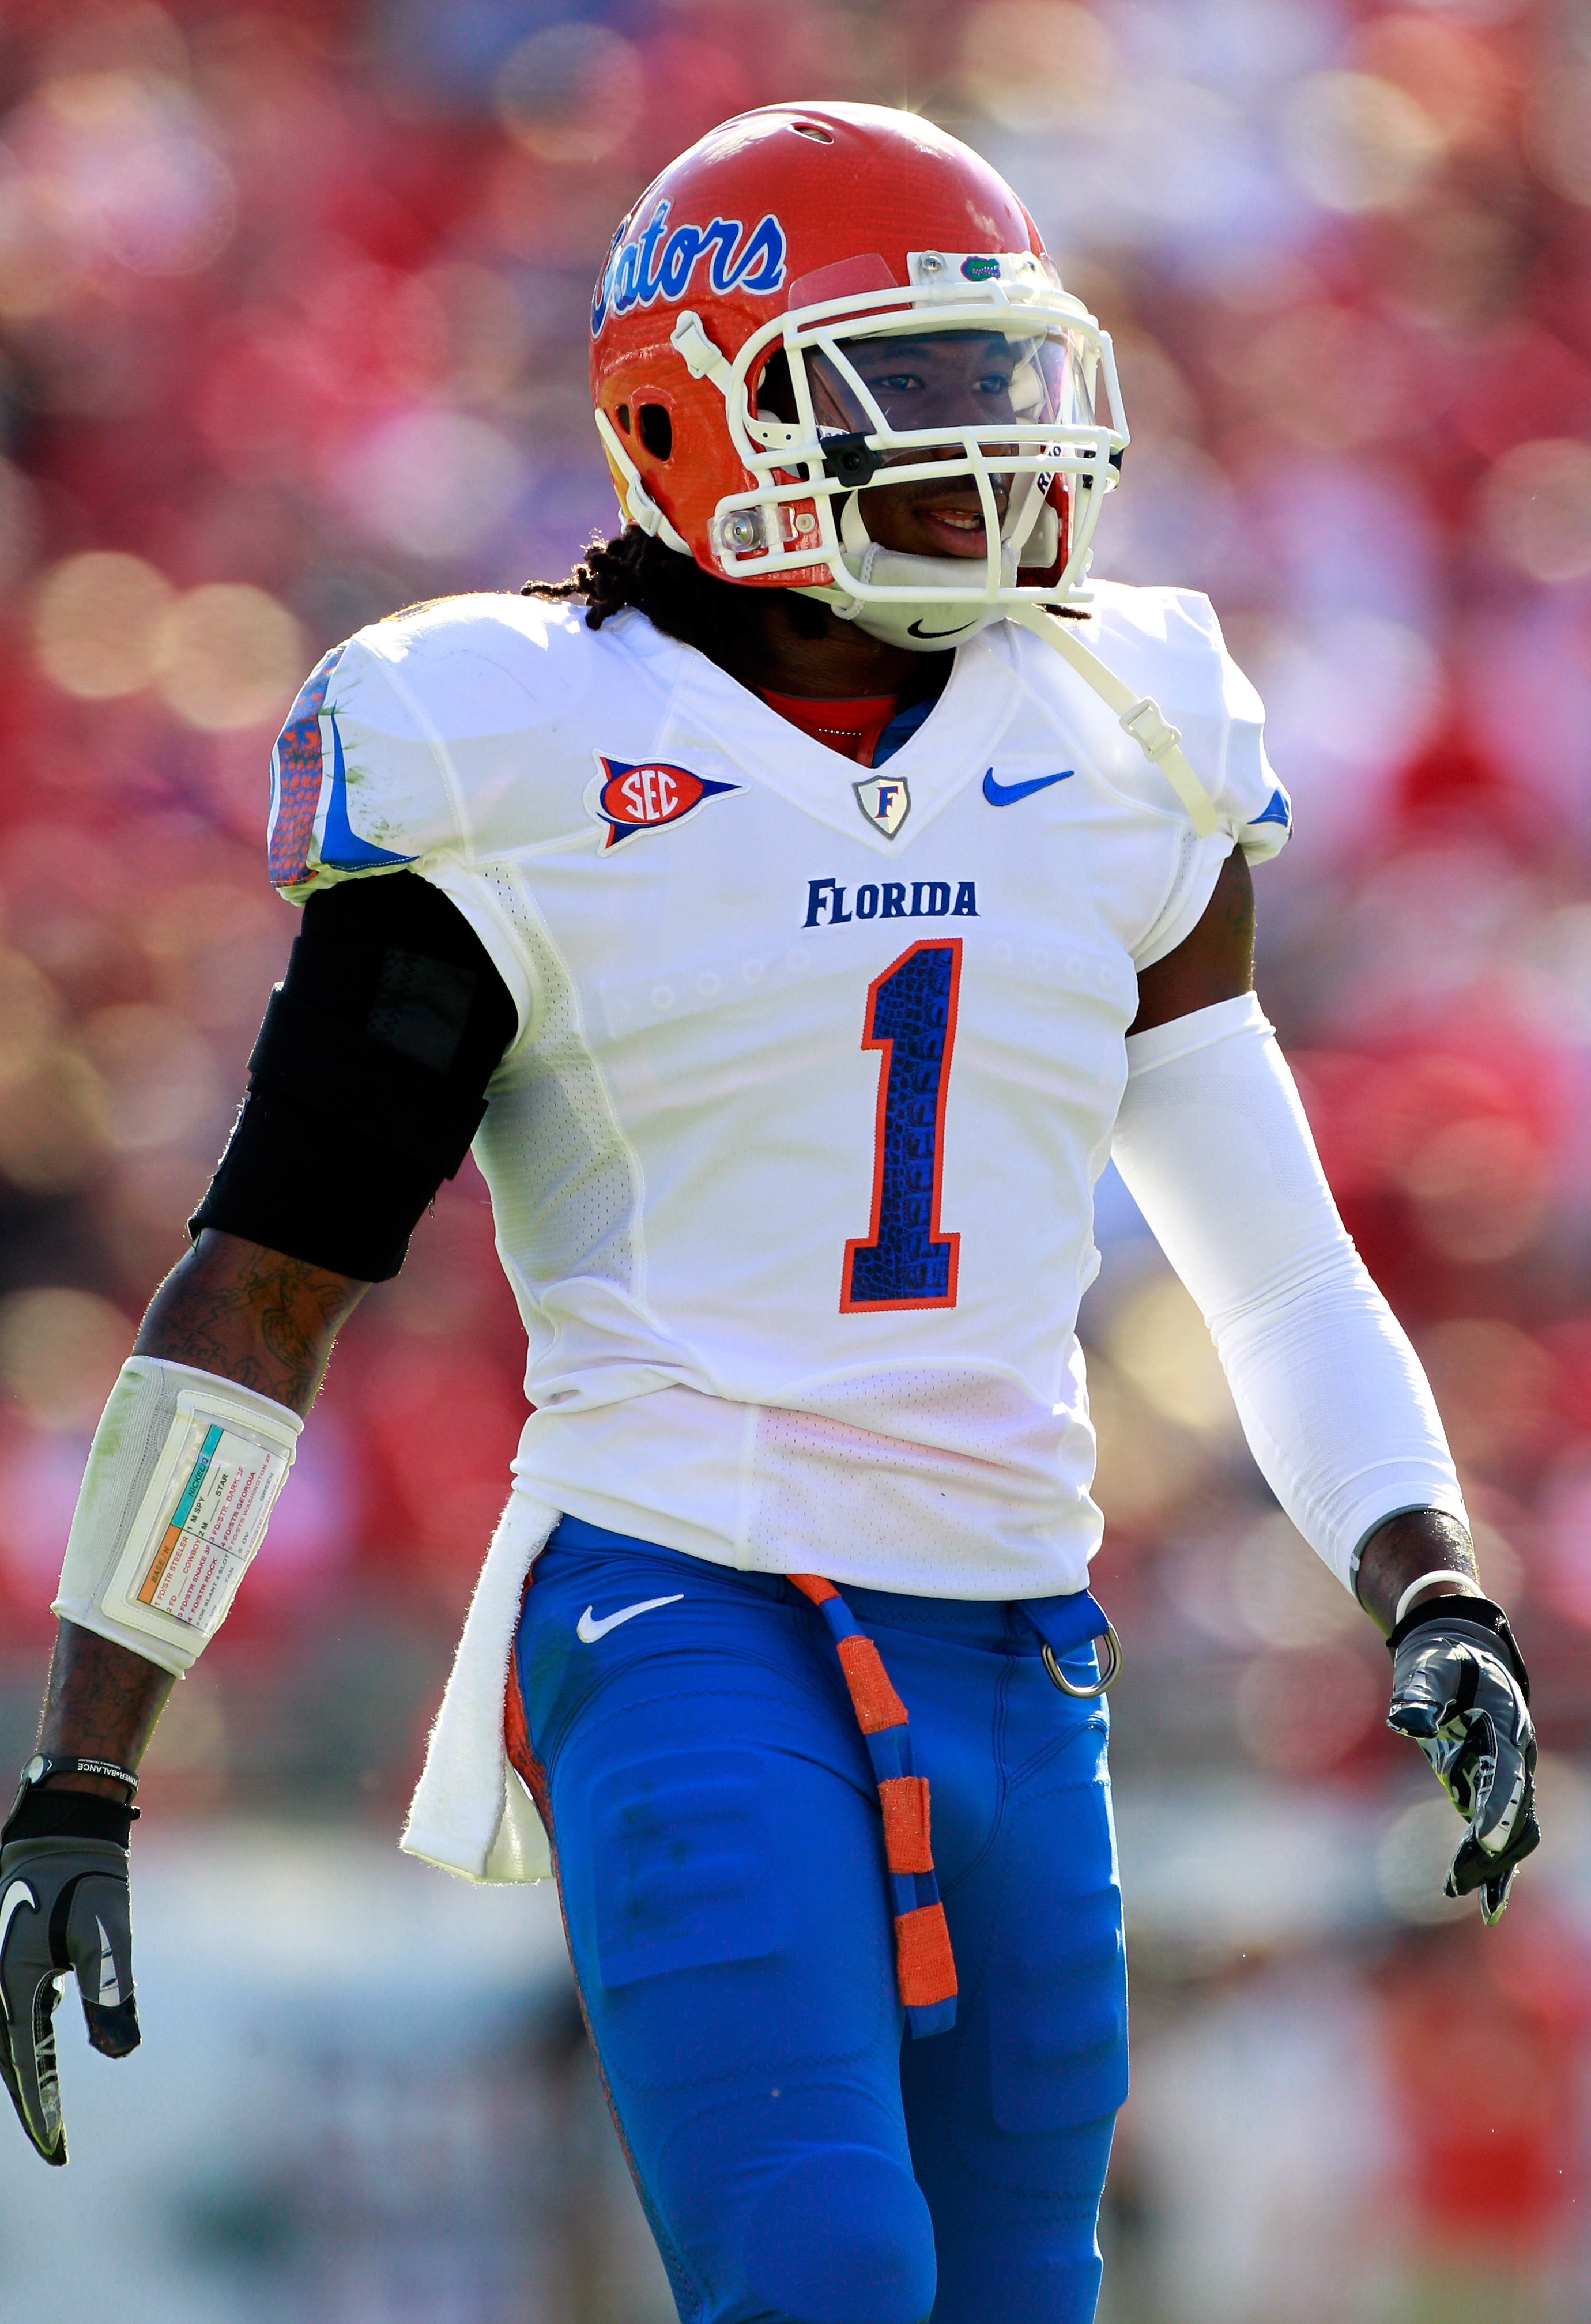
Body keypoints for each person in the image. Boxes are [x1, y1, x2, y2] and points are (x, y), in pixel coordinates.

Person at [0, 101, 1538, 2324]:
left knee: (1013, 2301)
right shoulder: (512, 742)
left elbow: (1271, 1250)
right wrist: (80, 1767)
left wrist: (1430, 1585)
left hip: (1027, 1636)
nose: (997, 450)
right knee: (821, 2270)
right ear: (684, 416)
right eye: (907, 388)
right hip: (682, 1605)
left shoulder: (1124, 729)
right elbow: (267, 1279)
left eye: (1006, 381)